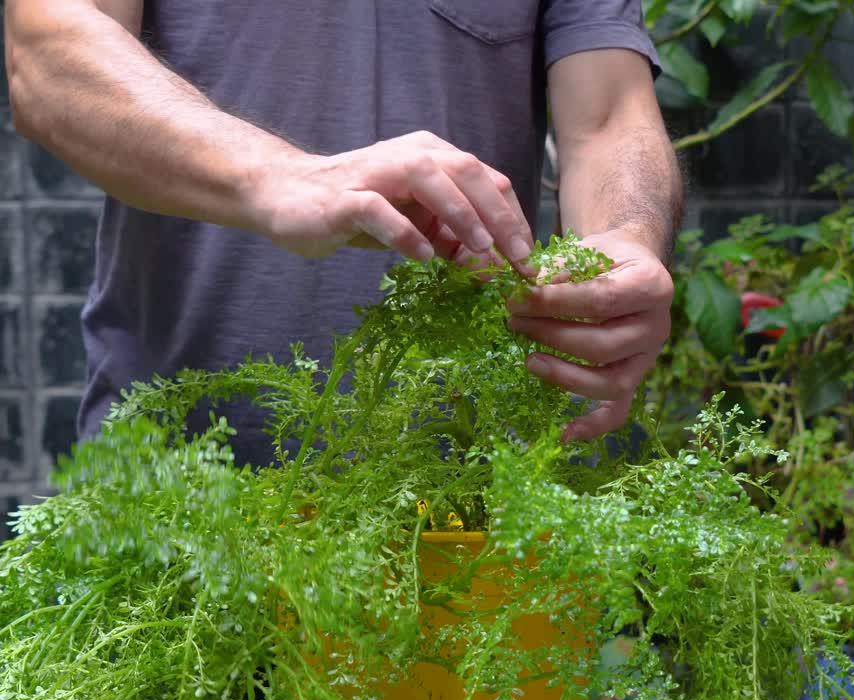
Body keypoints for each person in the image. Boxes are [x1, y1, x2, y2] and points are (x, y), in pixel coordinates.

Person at [5, 1, 683, 466]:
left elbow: (609, 114)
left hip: (467, 519)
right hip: (173, 511)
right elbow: (49, 53)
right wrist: (280, 176)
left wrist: (623, 241)